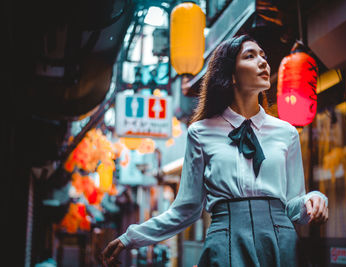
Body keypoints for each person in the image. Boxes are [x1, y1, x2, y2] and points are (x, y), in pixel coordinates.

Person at [101, 35, 328, 267]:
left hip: (280, 244)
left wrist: (314, 199)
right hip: (226, 244)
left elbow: (294, 207)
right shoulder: (200, 132)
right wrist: (131, 237)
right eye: (250, 56)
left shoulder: (286, 132)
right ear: (231, 75)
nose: (263, 62)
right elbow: (186, 209)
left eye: (263, 56)